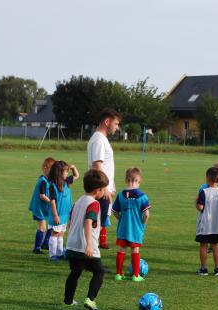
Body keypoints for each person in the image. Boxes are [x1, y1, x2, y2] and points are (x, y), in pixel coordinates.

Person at [64, 169, 109, 310]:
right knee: (99, 272)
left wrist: (71, 238)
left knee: (75, 272)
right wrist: (89, 244)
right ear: (98, 190)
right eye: (103, 189)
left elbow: (70, 221)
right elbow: (88, 222)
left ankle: (68, 300)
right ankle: (90, 299)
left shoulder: (78, 202)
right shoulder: (94, 204)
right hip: (85, 246)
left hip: (72, 245)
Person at [87, 108, 121, 250]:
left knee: (98, 225)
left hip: (102, 189)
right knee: (96, 225)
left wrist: (111, 184)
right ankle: (91, 257)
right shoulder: (99, 140)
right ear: (107, 122)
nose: (117, 127)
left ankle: (92, 256)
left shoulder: (100, 139)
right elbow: (97, 165)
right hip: (100, 190)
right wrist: (105, 188)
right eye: (116, 123)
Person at [112, 167, 151, 282]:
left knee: (121, 250)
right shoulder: (142, 196)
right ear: (139, 181)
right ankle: (135, 275)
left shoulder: (120, 195)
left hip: (123, 228)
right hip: (136, 229)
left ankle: (118, 274)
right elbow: (147, 215)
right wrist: (142, 223)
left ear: (126, 180)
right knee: (135, 251)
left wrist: (121, 219)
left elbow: (114, 211)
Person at [195, 167, 218, 277]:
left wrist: (196, 201)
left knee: (203, 246)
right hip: (217, 225)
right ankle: (217, 269)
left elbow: (200, 207)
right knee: (215, 246)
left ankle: (204, 269)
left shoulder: (204, 192)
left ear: (208, 178)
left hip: (205, 224)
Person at [47, 160, 79, 261]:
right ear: (59, 172)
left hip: (65, 214)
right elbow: (52, 202)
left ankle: (60, 253)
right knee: (55, 233)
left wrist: (73, 168)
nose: (67, 173)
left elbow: (76, 175)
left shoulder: (66, 182)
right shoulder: (53, 185)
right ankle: (52, 255)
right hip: (58, 214)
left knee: (61, 233)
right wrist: (55, 215)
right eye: (65, 171)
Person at [28, 157, 55, 253]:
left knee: (52, 224)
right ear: (45, 168)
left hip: (43, 207)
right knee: (42, 227)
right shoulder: (43, 181)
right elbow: (42, 196)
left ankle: (46, 243)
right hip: (39, 208)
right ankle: (37, 248)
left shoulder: (47, 180)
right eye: (51, 170)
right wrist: (51, 202)